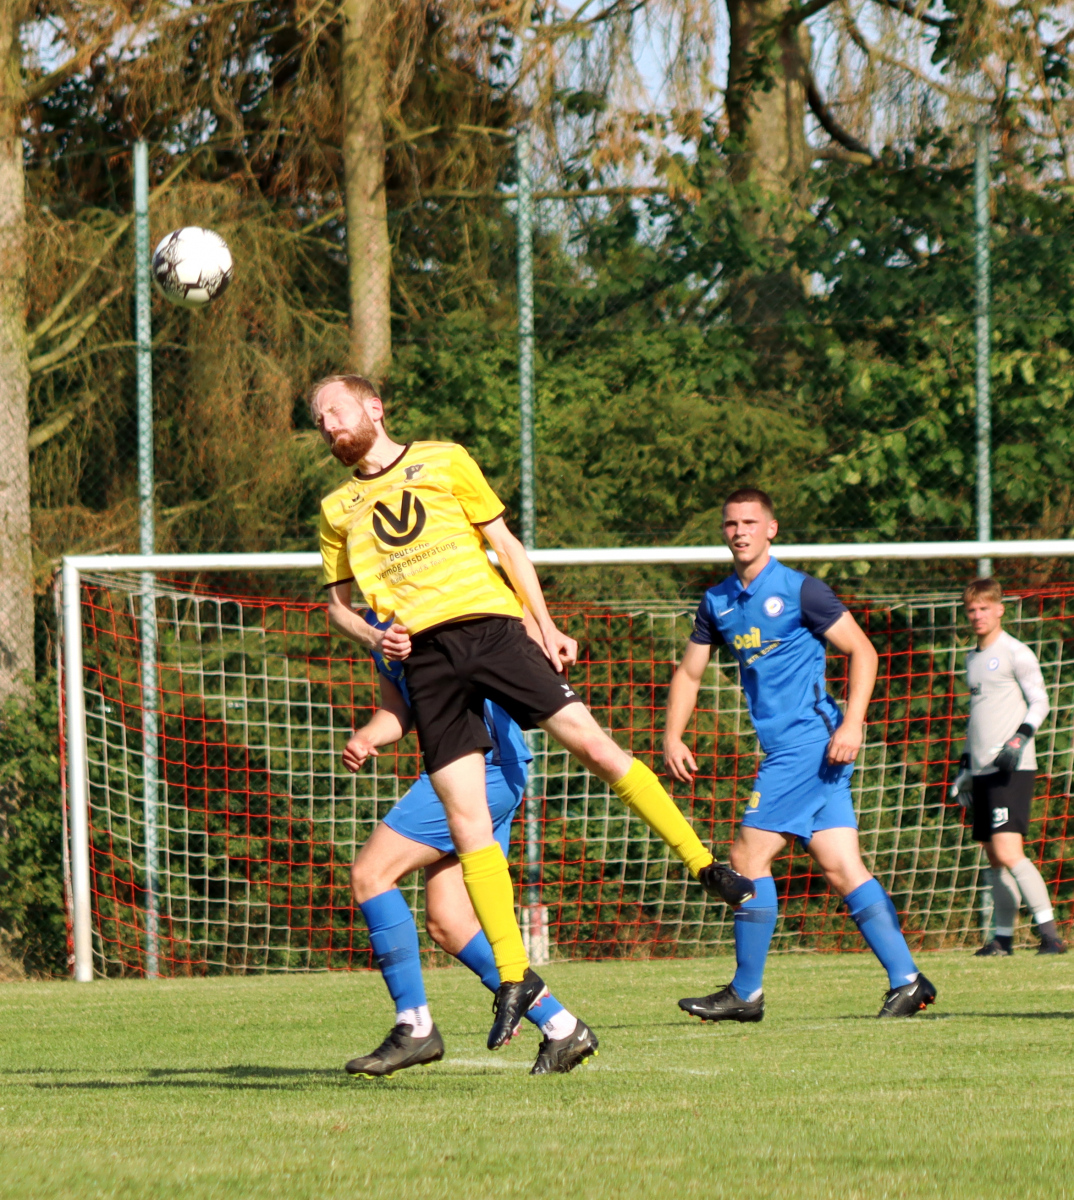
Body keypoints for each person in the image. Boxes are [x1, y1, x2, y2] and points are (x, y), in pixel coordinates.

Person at [312, 373, 752, 1052]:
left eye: (336, 411)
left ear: (374, 407)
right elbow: (338, 606)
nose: (329, 425)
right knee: (465, 827)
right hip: (425, 660)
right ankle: (516, 979)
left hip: (491, 632)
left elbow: (508, 547)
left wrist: (544, 627)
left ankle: (702, 864)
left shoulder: (445, 459)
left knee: (596, 747)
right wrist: (375, 639)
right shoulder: (336, 508)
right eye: (319, 420)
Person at [663, 487, 936, 1020]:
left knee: (747, 858)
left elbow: (863, 650)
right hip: (793, 747)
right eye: (731, 524)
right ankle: (908, 981)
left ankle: (746, 994)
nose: (739, 532)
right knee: (841, 866)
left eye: (749, 522)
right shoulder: (717, 601)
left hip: (810, 743)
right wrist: (673, 736)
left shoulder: (801, 590)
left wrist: (853, 722)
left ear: (771, 529)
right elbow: (690, 673)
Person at [342, 610, 598, 1078]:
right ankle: (562, 1027)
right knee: (450, 923)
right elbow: (397, 709)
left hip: (484, 768)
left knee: (370, 875)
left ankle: (414, 1024)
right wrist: (367, 736)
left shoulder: (445, 593)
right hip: (473, 770)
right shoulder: (374, 620)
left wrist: (545, 633)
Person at [949, 577, 1063, 955]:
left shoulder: (1016, 652)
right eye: (971, 610)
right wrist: (966, 767)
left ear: (1000, 609)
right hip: (981, 771)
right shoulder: (971, 659)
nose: (977, 615)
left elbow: (1040, 701)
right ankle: (1002, 939)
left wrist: (1019, 739)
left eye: (984, 608)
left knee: (1010, 852)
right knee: (994, 856)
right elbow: (977, 718)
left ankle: (1050, 936)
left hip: (1010, 768)